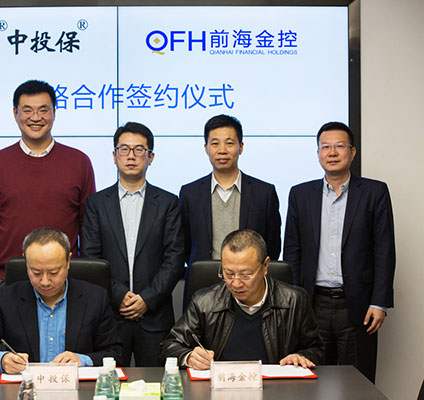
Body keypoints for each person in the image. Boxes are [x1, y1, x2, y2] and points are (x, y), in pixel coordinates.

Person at [283, 121, 395, 383]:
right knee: (311, 381)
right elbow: (292, 252)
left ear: (352, 152)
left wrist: (379, 302)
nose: (332, 152)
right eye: (325, 147)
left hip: (357, 306)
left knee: (357, 382)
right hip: (312, 304)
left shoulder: (374, 192)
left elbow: (384, 250)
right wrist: (293, 302)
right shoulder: (300, 194)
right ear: (318, 153)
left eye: (339, 146)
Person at [0, 80, 96, 314]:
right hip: (7, 279)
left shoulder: (79, 162)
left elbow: (88, 228)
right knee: (8, 340)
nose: (35, 117)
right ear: (15, 113)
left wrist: (86, 276)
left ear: (54, 113)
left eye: (43, 110)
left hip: (63, 281)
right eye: (27, 110)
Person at [81, 122, 185, 367]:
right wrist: (119, 296)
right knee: (108, 382)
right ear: (114, 155)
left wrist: (146, 299)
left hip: (154, 316)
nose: (131, 156)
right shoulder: (96, 204)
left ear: (151, 157)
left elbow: (175, 258)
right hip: (109, 316)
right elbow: (91, 258)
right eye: (124, 149)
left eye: (139, 150)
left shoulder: (168, 203)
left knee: (159, 382)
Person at [160, 229, 324, 370]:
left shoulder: (294, 301)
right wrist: (189, 357)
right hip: (220, 389)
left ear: (265, 266)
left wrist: (301, 357)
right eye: (229, 274)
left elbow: (316, 349)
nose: (236, 283)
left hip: (275, 388)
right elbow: (169, 347)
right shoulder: (204, 302)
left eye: (245, 275)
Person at [0, 227, 123, 373]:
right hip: (24, 388)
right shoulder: (5, 298)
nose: (45, 282)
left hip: (78, 387)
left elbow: (116, 353)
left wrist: (82, 360)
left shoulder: (95, 298)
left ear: (68, 262)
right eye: (36, 272)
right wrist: (2, 360)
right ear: (26, 262)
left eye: (54, 272)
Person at [179, 114, 281, 265]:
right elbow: (184, 245)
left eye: (229, 143)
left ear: (241, 147)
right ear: (206, 148)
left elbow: (272, 246)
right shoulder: (190, 193)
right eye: (215, 144)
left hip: (249, 276)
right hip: (202, 277)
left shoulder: (264, 193)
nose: (222, 150)